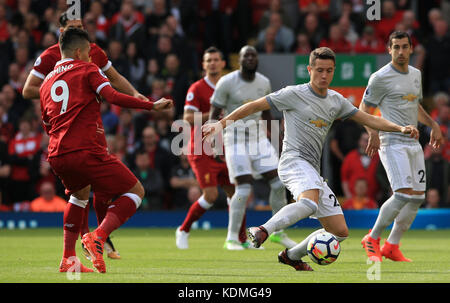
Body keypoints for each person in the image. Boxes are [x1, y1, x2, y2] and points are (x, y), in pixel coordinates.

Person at [202, 46, 419, 271]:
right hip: (292, 161)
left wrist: (400, 128)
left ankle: (291, 255)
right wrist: (221, 123)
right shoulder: (293, 93)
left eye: (329, 71)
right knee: (308, 202)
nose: (324, 75)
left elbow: (369, 119)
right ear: (309, 69)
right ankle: (264, 230)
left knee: (339, 232)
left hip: (312, 170)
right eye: (319, 70)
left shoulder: (336, 101)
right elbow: (255, 105)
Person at [39, 27, 172, 273]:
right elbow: (112, 95)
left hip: (57, 154)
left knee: (78, 196)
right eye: (89, 52)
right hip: (85, 150)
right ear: (79, 51)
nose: (91, 57)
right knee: (135, 191)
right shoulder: (87, 68)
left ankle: (69, 258)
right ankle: (97, 236)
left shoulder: (46, 82)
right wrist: (150, 106)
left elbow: (47, 123)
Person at [22, 12, 149, 260]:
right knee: (89, 190)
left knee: (89, 190)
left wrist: (136, 93)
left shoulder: (94, 52)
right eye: (74, 26)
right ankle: (93, 238)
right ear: (61, 31)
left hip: (83, 130)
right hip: (72, 127)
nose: (81, 30)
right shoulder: (50, 56)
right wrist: (72, 92)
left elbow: (115, 78)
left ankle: (88, 246)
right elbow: (28, 89)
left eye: (82, 26)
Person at [359, 31, 444, 263]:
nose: (400, 52)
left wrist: (433, 124)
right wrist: (372, 132)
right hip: (392, 142)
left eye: (404, 47)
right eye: (395, 47)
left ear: (411, 49)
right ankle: (372, 238)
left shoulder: (416, 74)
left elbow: (414, 105)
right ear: (389, 50)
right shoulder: (380, 77)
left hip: (414, 142)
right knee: (402, 194)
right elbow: (362, 110)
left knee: (417, 198)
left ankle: (391, 246)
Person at [208, 45, 296, 250]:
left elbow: (265, 113)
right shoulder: (226, 82)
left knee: (278, 183)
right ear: (239, 60)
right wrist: (213, 140)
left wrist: (277, 139)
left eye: (253, 55)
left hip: (258, 140)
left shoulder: (264, 82)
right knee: (244, 187)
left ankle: (278, 232)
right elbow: (215, 113)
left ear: (257, 60)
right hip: (235, 139)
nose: (250, 58)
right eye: (245, 55)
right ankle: (231, 238)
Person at [176, 47, 248, 250]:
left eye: (216, 59)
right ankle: (183, 229)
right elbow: (187, 119)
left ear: (223, 63)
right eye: (209, 60)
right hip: (201, 149)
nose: (213, 63)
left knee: (237, 194)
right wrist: (215, 113)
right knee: (211, 195)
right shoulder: (197, 89)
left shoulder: (231, 88)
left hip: (225, 148)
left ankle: (239, 238)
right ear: (204, 65)